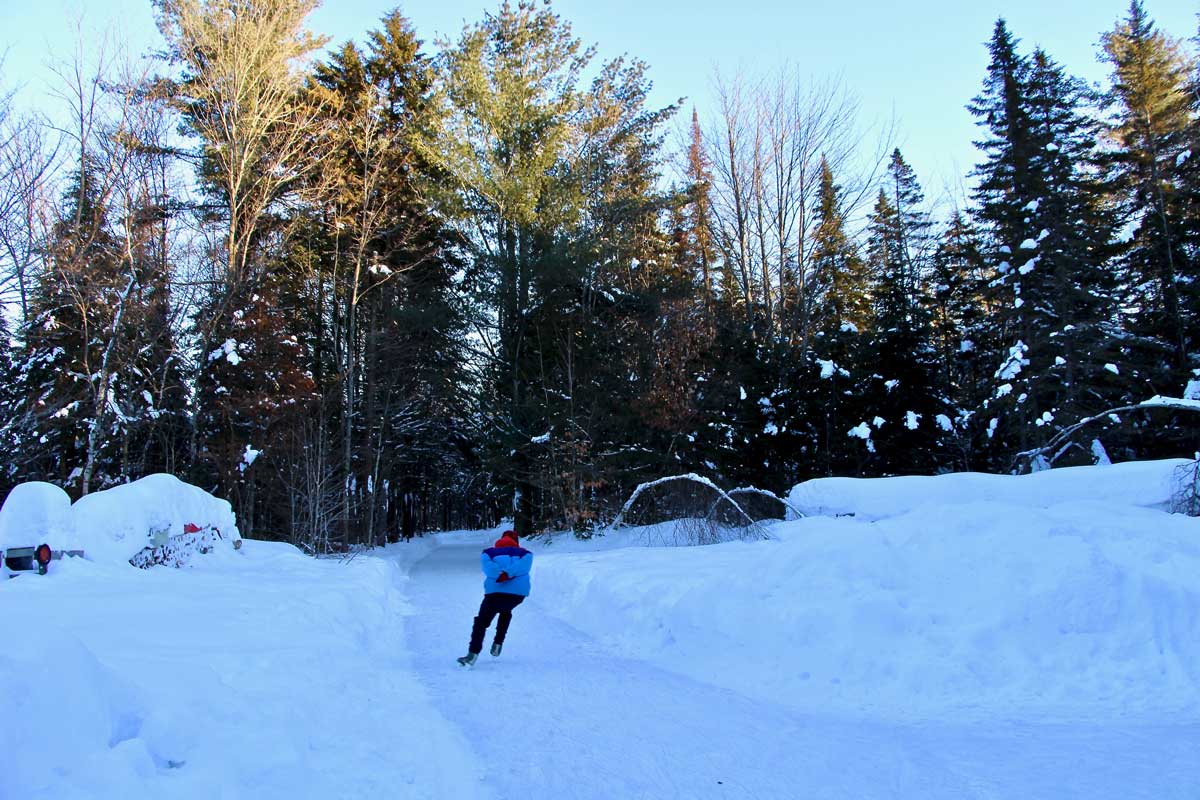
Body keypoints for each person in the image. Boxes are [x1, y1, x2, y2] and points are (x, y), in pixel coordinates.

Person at [458, 530, 533, 667]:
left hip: (495, 592)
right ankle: (498, 643)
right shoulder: (525, 553)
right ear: (516, 541)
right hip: (517, 595)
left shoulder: (488, 553)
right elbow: (524, 566)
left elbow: (488, 569)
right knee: (506, 610)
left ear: (500, 540)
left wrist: (502, 574)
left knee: (481, 622)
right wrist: (509, 573)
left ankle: (472, 655)